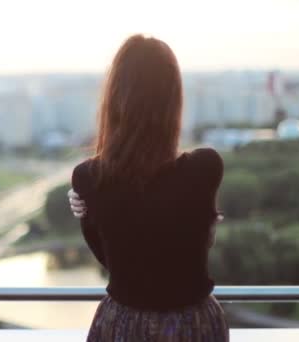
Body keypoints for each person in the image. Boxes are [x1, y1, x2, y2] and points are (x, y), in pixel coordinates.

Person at [68, 35, 228, 341]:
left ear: (115, 98)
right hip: (192, 327)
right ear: (173, 100)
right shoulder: (205, 168)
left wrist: (88, 205)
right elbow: (191, 250)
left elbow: (111, 260)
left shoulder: (88, 178)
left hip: (122, 327)